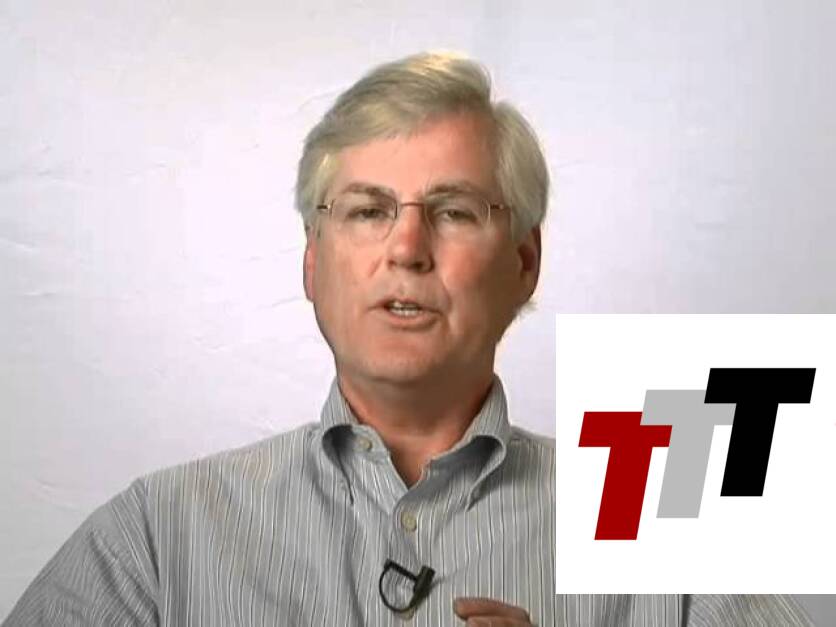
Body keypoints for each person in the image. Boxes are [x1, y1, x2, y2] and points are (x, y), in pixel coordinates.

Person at [3, 52, 812, 626]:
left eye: (454, 210)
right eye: (367, 210)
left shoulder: (667, 503)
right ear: (313, 262)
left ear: (524, 262)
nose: (407, 247)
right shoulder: (158, 533)